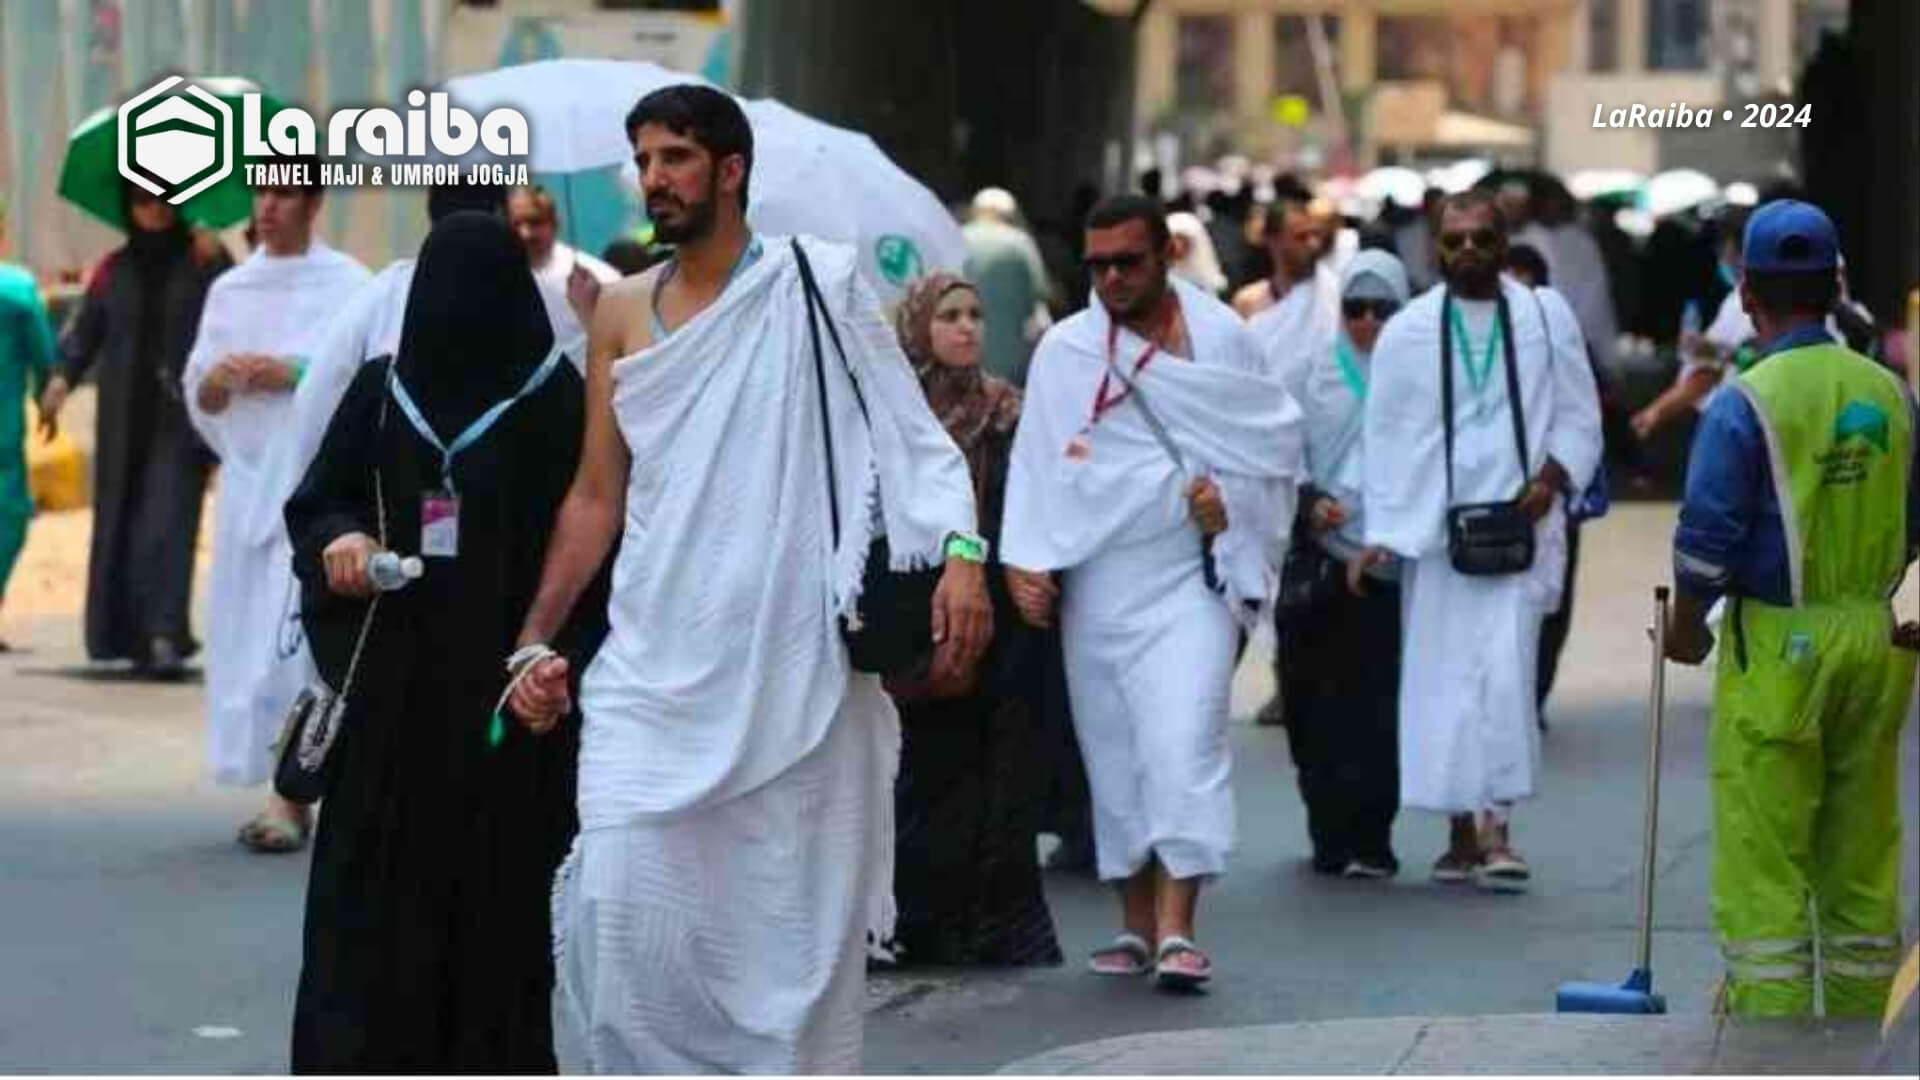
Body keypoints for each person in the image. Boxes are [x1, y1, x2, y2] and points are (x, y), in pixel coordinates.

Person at [504, 85, 989, 1073]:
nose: (654, 179)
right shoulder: (622, 313)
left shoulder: (818, 286)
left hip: (790, 665)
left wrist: (963, 556)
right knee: (619, 908)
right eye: (643, 160)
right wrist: (535, 635)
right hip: (653, 666)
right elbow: (597, 494)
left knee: (784, 940)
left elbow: (910, 433)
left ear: (730, 171)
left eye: (675, 157)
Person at [285, 211, 602, 1071]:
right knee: (368, 923)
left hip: (507, 714)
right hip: (390, 709)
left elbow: (599, 553)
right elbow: (318, 502)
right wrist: (340, 543)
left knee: (497, 927)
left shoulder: (556, 403)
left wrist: (557, 656)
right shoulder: (383, 393)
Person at [1001, 194, 1301, 989]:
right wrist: (1025, 560)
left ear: (1166, 253)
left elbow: (1272, 442)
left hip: (1191, 579)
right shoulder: (1066, 350)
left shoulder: (1223, 338)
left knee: (1184, 741)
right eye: (1096, 265)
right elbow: (1040, 466)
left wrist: (1225, 509)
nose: (1110, 278)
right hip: (1100, 579)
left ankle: (1179, 930)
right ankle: (1135, 927)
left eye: (1126, 262)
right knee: (1116, 755)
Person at [1664, 200, 1918, 1019]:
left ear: (1746, 293)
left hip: (1778, 645)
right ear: (1836, 285)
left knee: (1765, 854)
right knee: (1860, 845)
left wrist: (1683, 632)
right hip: (1876, 640)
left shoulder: (1747, 401)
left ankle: (1772, 1049)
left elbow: (1705, 541)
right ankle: (1863, 1035)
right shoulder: (1889, 392)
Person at [1353, 190, 1603, 891]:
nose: (1468, 253)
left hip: (1520, 531)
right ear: (1435, 247)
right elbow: (1390, 433)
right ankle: (1458, 834)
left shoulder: (1542, 315)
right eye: (1454, 240)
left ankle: (1497, 829)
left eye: (1482, 240)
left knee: (1505, 677)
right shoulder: (1407, 331)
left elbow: (1579, 411)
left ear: (1504, 242)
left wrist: (1552, 477)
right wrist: (1388, 530)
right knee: (1444, 684)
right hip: (1440, 537)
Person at [244, 182, 586, 559]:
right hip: (496, 547)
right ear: (502, 217)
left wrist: (316, 505)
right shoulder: (546, 306)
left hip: (413, 533)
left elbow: (317, 403)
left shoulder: (384, 296)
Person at [183, 168, 370, 852]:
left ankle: (291, 795)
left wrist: (289, 372)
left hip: (313, 489)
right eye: (260, 194)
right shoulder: (230, 290)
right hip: (244, 489)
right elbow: (198, 397)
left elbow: (359, 375)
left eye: (283, 194)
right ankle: (274, 779)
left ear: (314, 203)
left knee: (300, 643)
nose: (267, 207)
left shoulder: (350, 284)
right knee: (246, 639)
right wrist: (220, 382)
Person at [882, 272, 1063, 969]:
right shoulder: (893, 415)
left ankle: (997, 926)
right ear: (919, 326)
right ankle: (916, 923)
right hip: (915, 608)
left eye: (976, 314)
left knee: (1001, 770)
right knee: (923, 769)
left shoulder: (1007, 409)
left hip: (999, 607)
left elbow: (1038, 497)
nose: (965, 328)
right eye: (949, 315)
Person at [39, 183, 230, 676]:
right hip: (124, 418)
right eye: (143, 199)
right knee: (121, 523)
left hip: (180, 415)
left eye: (166, 198)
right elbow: (84, 332)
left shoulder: (206, 260)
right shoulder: (112, 268)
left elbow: (242, 310)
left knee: (168, 520)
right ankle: (123, 635)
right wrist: (61, 380)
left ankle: (166, 634)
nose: (156, 209)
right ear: (128, 205)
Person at [1272, 250, 1409, 879]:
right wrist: (1310, 501)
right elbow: (1279, 452)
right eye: (1355, 308)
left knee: (1376, 708)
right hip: (1316, 563)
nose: (1368, 323)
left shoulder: (1416, 377)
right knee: (1311, 701)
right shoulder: (1310, 372)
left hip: (1386, 562)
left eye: (1384, 310)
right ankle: (1327, 831)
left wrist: (1389, 530)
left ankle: (1372, 835)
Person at [1238, 195, 1338, 726]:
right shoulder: (1250, 305)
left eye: (1317, 235)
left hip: (1321, 451)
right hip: (1264, 457)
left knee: (1318, 571)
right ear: (1272, 239)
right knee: (1271, 577)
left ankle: (1315, 682)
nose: (1311, 244)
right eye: (1299, 235)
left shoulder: (1333, 301)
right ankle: (1283, 680)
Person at [0, 210, 58, 651]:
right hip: (4, 434)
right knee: (11, 518)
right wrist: (47, 403)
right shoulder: (17, 291)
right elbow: (44, 355)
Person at [963, 187, 1054, 386]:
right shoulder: (1020, 242)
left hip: (964, 350)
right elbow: (1041, 291)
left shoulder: (958, 237)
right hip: (1010, 356)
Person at [508, 184, 621, 296]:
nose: (525, 234)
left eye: (535, 222)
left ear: (555, 224)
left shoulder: (600, 278)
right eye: (516, 224)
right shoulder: (497, 278)